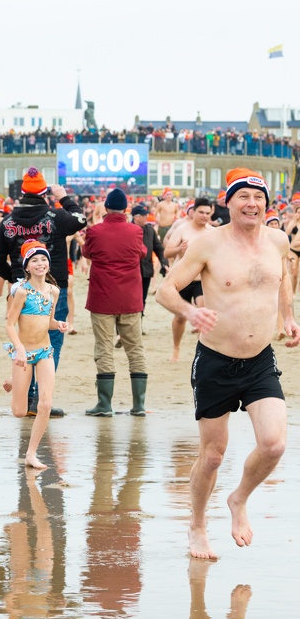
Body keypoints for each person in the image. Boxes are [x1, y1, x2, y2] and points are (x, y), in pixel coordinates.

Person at [156, 168, 299, 560]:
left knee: (273, 445)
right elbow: (164, 290)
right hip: (216, 361)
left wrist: (288, 316)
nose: (252, 204)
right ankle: (197, 526)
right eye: (243, 197)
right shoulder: (207, 245)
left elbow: (282, 279)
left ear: (266, 204)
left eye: (258, 198)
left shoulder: (277, 240)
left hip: (259, 362)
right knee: (214, 454)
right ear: (229, 202)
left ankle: (238, 500)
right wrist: (190, 311)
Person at [0, 168, 87, 416]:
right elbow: (80, 219)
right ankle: (40, 399)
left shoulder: (8, 222)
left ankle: (26, 399)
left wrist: (14, 277)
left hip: (21, 287)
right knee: (49, 342)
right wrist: (64, 197)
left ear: (22, 193)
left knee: (24, 338)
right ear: (45, 193)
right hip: (52, 287)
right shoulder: (54, 216)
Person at [82, 189, 148, 417]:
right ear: (126, 209)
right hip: (130, 297)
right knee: (135, 349)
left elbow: (87, 253)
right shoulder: (136, 231)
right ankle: (138, 405)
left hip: (102, 297)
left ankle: (104, 404)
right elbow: (141, 252)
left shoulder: (95, 231)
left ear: (107, 208)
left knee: (104, 347)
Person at [3, 241, 69, 469]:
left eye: (43, 260)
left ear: (48, 265)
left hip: (44, 351)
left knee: (45, 404)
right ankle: (15, 378)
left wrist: (58, 324)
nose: (40, 264)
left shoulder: (54, 291)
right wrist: (19, 348)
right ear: (27, 267)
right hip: (23, 353)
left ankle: (31, 454)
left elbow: (47, 321)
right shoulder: (21, 292)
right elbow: (10, 324)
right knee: (20, 412)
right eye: (35, 261)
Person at [162, 197, 214, 362]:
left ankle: (202, 351)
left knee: (203, 311)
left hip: (202, 280)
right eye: (201, 212)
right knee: (180, 317)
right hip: (182, 279)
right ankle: (176, 349)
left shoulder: (212, 232)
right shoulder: (182, 229)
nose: (204, 216)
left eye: (207, 213)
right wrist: (179, 248)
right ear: (193, 212)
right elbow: (167, 253)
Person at [131, 204, 168, 319]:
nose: (146, 217)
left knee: (142, 299)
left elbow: (158, 248)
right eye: (143, 215)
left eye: (146, 214)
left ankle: (138, 324)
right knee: (129, 299)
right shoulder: (128, 229)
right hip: (130, 271)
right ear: (135, 217)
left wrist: (164, 262)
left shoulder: (150, 230)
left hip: (146, 269)